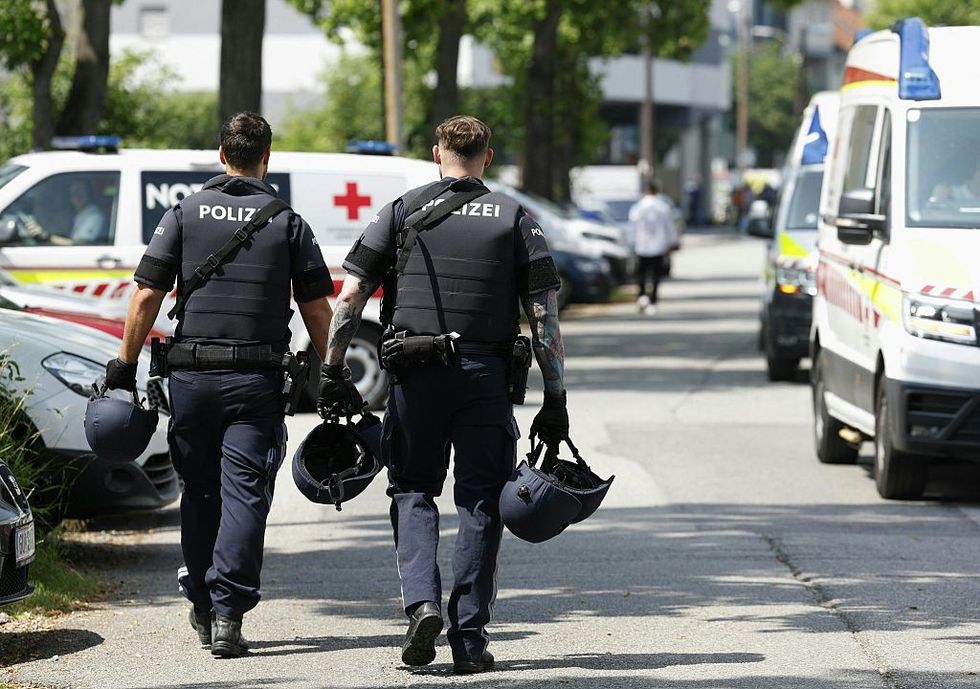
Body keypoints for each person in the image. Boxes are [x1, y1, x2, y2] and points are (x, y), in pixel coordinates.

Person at [318, 115, 569, 674]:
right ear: (488, 156)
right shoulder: (515, 218)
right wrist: (556, 399)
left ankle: (422, 604)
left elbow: (351, 294)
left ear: (437, 154)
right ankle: (470, 639)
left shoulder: (403, 210)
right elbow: (543, 318)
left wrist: (332, 371)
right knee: (480, 499)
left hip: (416, 374)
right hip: (485, 378)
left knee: (411, 490)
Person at [100, 112, 334, 657]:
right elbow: (318, 311)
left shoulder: (182, 213)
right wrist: (335, 374)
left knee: (200, 493)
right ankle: (229, 612)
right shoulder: (287, 221)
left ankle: (203, 604)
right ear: (265, 159)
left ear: (221, 155)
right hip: (255, 383)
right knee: (246, 495)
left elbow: (145, 296)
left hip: (191, 380)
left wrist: (123, 366)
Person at [628, 182, 678, 315]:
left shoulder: (638, 207)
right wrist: (672, 242)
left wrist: (631, 243)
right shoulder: (663, 207)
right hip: (658, 246)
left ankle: (642, 296)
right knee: (656, 274)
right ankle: (653, 299)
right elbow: (669, 227)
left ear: (646, 191)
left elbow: (632, 227)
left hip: (641, 246)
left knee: (641, 274)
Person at [23, 178, 108, 245]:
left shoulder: (94, 216)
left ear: (89, 193)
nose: (77, 195)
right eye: (73, 192)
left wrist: (47, 236)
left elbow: (80, 245)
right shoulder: (79, 214)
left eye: (81, 191)